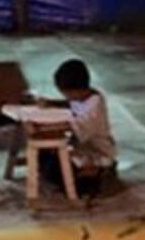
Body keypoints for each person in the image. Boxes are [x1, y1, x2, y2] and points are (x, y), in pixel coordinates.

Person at [38, 59, 117, 197]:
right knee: (44, 156)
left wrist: (46, 124)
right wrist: (52, 103)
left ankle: (95, 175)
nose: (66, 96)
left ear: (77, 90)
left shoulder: (95, 107)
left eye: (66, 93)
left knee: (56, 171)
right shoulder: (83, 96)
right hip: (82, 148)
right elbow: (71, 104)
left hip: (97, 153)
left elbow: (73, 126)